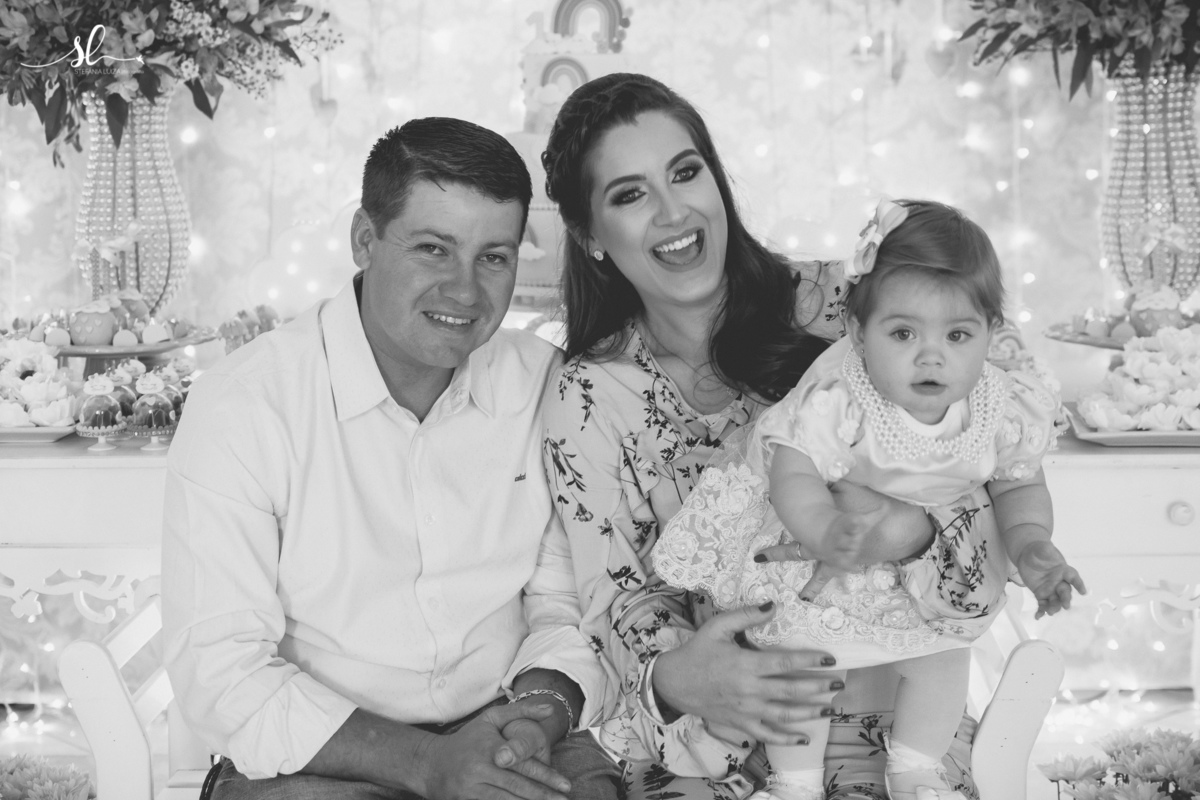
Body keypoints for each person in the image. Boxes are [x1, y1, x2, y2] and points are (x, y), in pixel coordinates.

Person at [539, 73, 988, 800]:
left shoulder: (853, 308)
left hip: (899, 725)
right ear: (590, 235)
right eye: (630, 194)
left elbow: (992, 453)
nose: (673, 211)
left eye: (686, 172)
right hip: (713, 735)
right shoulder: (588, 396)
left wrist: (912, 532)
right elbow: (616, 601)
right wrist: (680, 678)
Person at [161, 117, 620, 800]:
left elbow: (566, 604)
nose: (465, 291)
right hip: (318, 755)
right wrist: (429, 763)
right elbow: (220, 670)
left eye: (493, 257)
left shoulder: (546, 386)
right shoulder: (245, 404)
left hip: (507, 725)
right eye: (434, 249)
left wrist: (536, 718)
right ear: (364, 240)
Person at [653, 198, 1086, 800]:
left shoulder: (1002, 404)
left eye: (958, 334)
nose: (931, 355)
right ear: (859, 333)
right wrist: (821, 527)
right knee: (802, 667)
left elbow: (1019, 481)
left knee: (944, 658)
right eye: (903, 333)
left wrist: (1032, 542)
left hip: (933, 574)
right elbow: (792, 469)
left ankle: (915, 768)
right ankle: (794, 780)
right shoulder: (840, 397)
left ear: (992, 332)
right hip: (833, 561)